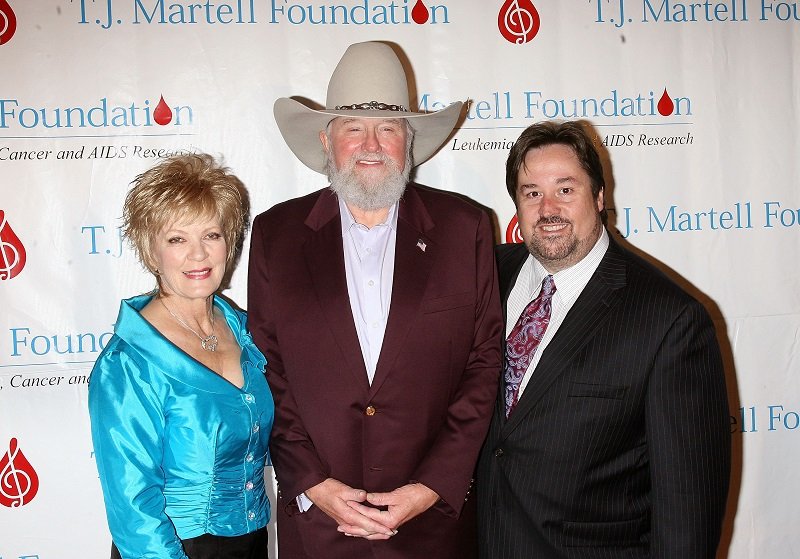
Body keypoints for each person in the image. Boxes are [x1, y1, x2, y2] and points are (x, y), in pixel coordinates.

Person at [248, 41, 503, 559]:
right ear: (326, 139)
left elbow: (484, 364)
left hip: (433, 528)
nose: (371, 144)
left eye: (388, 128)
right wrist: (314, 484)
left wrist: (430, 487)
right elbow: (264, 368)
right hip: (319, 527)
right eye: (352, 127)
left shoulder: (465, 228)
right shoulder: (276, 235)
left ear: (408, 141)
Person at [477, 121, 731, 558]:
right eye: (531, 192)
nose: (548, 208)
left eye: (566, 189)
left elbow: (687, 510)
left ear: (598, 197)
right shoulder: (485, 277)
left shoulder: (670, 320)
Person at [88, 154, 274, 559]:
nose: (198, 255)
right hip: (170, 548)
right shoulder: (128, 363)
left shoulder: (249, 332)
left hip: (252, 541)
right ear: (151, 251)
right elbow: (133, 507)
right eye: (177, 239)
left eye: (212, 235)